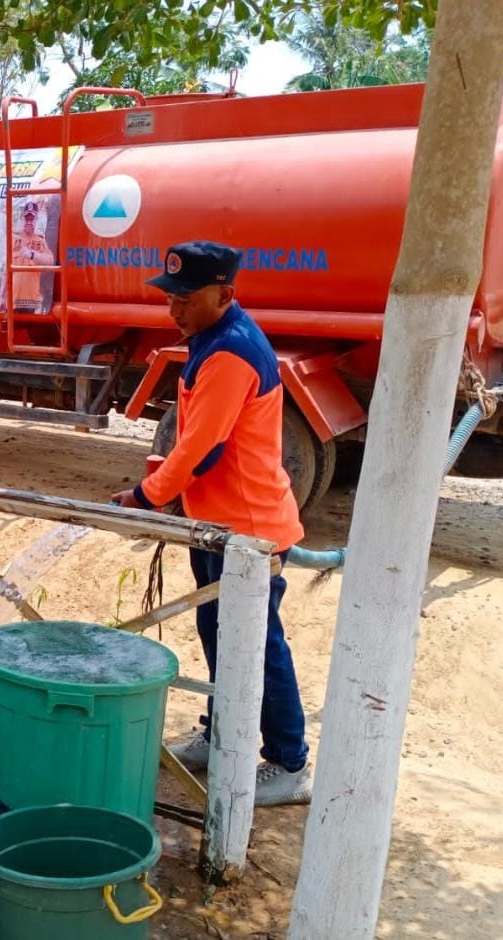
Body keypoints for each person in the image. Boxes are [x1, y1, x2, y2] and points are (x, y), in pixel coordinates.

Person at [110, 241, 312, 807]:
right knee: (218, 635)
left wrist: (147, 497)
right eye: (170, 297)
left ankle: (289, 762)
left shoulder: (231, 353)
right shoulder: (212, 340)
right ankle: (221, 727)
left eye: (186, 298)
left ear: (224, 294)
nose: (174, 309)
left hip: (248, 529)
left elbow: (201, 447)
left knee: (258, 645)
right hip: (218, 522)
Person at [11, 202, 53, 313]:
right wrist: (2, 296)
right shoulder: (14, 240)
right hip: (13, 299)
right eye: (27, 219)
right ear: (23, 219)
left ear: (36, 220)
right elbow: (6, 271)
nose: (29, 222)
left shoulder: (40, 241)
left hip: (31, 300)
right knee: (11, 329)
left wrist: (33, 254)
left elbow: (50, 261)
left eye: (32, 219)